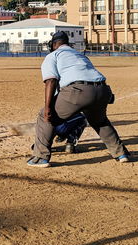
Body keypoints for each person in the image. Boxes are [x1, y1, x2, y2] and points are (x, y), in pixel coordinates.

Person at [28, 31, 130, 168]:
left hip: (78, 91)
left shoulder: (53, 55)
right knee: (100, 122)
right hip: (103, 89)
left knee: (44, 117)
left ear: (54, 44)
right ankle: (121, 154)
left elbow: (51, 81)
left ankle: (40, 157)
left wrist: (48, 107)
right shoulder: (80, 55)